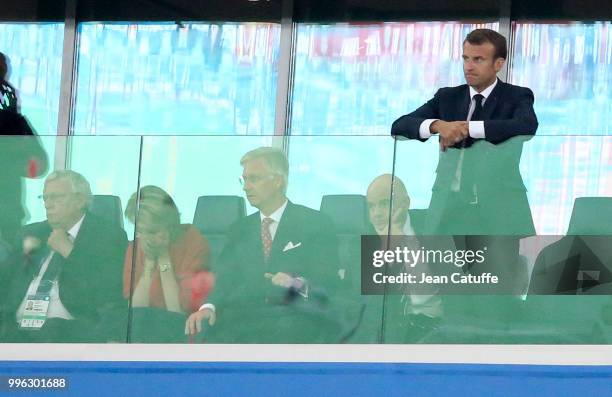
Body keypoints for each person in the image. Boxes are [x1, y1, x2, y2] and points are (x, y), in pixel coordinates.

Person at [185, 147, 341, 343]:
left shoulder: (314, 223)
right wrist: (208, 308)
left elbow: (327, 278)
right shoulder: (239, 229)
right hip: (245, 322)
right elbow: (225, 278)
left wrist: (295, 284)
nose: (246, 187)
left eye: (254, 179)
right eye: (244, 179)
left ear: (278, 181)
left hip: (294, 318)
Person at [1, 170, 127, 342]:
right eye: (45, 198)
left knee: (52, 330)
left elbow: (103, 292)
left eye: (56, 197)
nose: (48, 204)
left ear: (80, 200)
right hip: (16, 329)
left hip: (67, 330)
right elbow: (6, 282)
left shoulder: (107, 236)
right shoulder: (31, 233)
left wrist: (69, 251)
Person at [366, 174, 443, 342]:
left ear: (406, 203)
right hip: (394, 332)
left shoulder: (434, 228)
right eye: (371, 207)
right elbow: (368, 305)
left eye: (384, 204)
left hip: (438, 329)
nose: (376, 214)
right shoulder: (362, 243)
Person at [123, 186, 211, 314]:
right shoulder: (136, 246)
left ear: (169, 225)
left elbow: (177, 312)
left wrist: (163, 257)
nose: (145, 238)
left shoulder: (194, 243)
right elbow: (135, 313)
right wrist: (149, 262)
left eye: (152, 232)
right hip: (144, 328)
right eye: (140, 231)